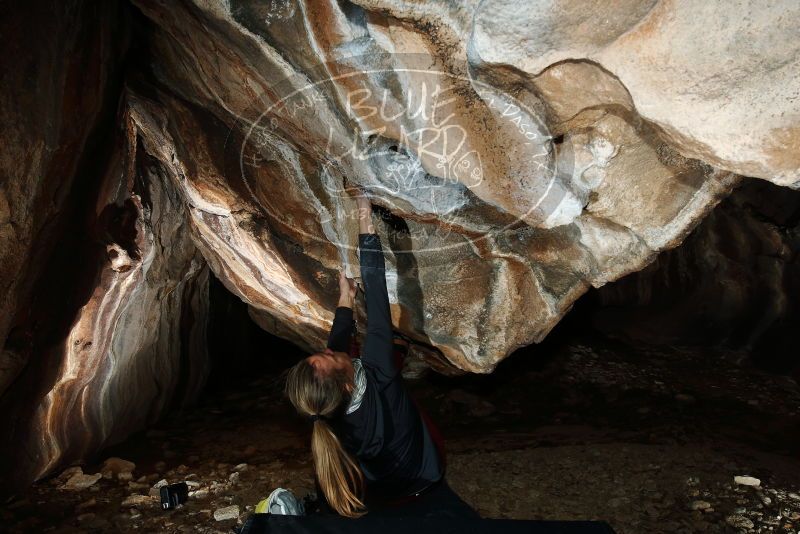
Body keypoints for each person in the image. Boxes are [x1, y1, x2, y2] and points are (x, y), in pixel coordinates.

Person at [283, 192, 476, 520]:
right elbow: (376, 294)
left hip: (384, 487)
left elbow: (339, 345)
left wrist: (344, 297)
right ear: (344, 385)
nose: (327, 350)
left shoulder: (329, 411)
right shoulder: (378, 372)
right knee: (404, 394)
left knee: (360, 357)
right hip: (425, 473)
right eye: (328, 357)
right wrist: (364, 217)